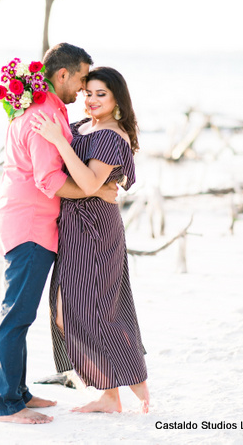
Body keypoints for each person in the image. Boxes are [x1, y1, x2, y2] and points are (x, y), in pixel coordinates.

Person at [0, 44, 117, 425]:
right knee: (16, 316)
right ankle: (6, 405)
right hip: (29, 224)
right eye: (81, 78)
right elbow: (49, 181)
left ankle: (19, 392)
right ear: (62, 75)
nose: (83, 88)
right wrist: (96, 189)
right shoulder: (42, 114)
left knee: (22, 314)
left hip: (33, 222)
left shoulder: (50, 110)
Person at [31, 66, 149, 414]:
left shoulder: (113, 136)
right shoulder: (83, 127)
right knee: (72, 308)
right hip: (74, 227)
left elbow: (86, 184)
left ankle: (121, 387)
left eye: (102, 94)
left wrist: (57, 141)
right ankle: (115, 389)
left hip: (95, 230)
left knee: (92, 308)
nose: (92, 100)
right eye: (88, 93)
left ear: (117, 100)